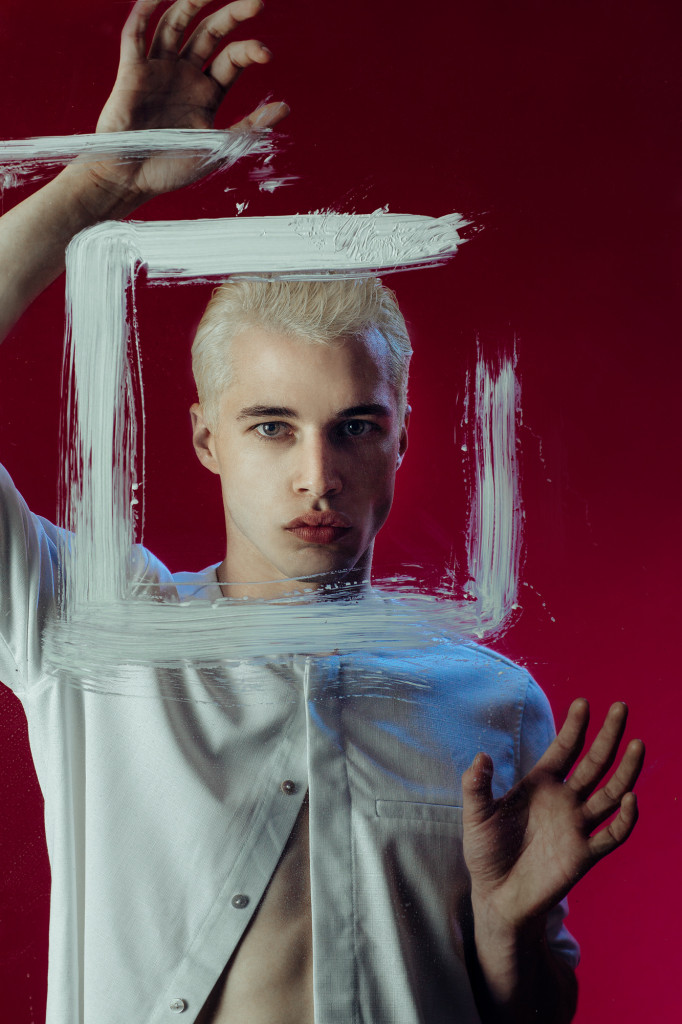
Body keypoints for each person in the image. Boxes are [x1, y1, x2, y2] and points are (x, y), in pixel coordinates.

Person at [0, 2, 644, 1023]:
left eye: (352, 426)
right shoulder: (86, 635)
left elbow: (530, 1008)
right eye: (270, 426)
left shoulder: (492, 700)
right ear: (207, 437)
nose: (317, 474)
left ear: (398, 438)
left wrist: (509, 932)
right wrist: (98, 185)